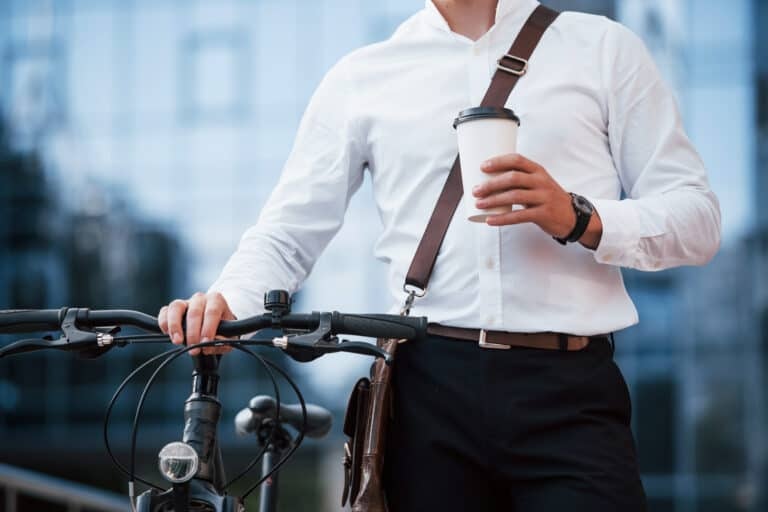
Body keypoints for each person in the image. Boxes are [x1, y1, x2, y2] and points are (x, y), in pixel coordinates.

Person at [159, 0, 721, 510]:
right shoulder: (364, 77)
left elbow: (697, 218)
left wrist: (578, 217)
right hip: (425, 390)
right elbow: (288, 230)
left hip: (568, 392)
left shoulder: (603, 48)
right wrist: (226, 302)